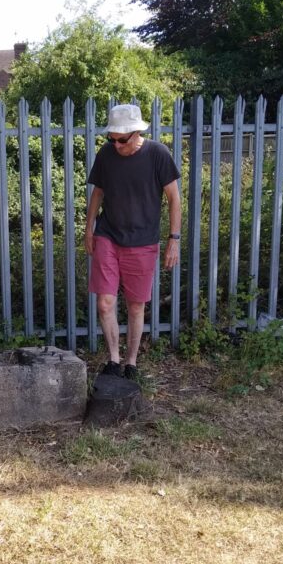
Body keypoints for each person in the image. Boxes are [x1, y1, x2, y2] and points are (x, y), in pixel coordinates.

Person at [85, 103, 182, 381]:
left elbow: (174, 198)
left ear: (137, 132)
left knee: (136, 304)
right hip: (108, 235)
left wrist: (174, 239)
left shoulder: (158, 154)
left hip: (142, 241)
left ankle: (131, 362)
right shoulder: (106, 155)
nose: (116, 144)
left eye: (122, 139)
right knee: (105, 302)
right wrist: (89, 229)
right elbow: (97, 193)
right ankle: (113, 359)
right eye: (111, 138)